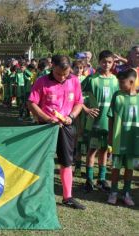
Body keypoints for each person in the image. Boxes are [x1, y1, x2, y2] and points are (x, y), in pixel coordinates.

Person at [28, 55, 85, 210]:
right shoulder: (42, 81)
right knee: (40, 160)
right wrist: (47, 118)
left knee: (66, 161)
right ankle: (34, 194)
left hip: (66, 126)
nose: (62, 77)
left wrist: (71, 117)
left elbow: (79, 102)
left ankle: (68, 197)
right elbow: (31, 103)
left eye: (65, 74)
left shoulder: (74, 80)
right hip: (45, 127)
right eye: (59, 73)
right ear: (52, 66)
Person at [83, 50, 119, 193]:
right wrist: (86, 109)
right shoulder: (92, 79)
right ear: (99, 62)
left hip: (109, 121)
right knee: (92, 150)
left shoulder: (116, 80)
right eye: (104, 61)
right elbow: (78, 96)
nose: (106, 64)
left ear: (113, 63)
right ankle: (89, 179)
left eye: (109, 62)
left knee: (104, 150)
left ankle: (102, 179)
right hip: (94, 122)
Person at [107, 69, 139, 206]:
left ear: (131, 82)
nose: (119, 84)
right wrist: (110, 136)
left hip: (134, 140)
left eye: (122, 82)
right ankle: (113, 192)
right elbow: (111, 118)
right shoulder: (117, 95)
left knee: (130, 167)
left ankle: (126, 192)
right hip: (118, 139)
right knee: (115, 166)